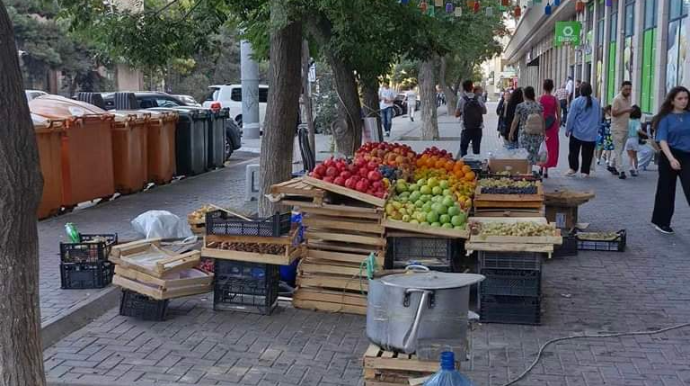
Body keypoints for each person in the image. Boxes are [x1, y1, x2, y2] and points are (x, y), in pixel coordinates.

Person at [650, 86, 690, 234]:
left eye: (686, 98)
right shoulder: (665, 118)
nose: (684, 101)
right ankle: (661, 222)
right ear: (672, 100)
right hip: (669, 155)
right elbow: (662, 140)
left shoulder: (689, 115)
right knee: (666, 189)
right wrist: (671, 159)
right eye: (680, 98)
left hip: (687, 156)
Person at [565, 82, 602, 177]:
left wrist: (568, 129)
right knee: (588, 154)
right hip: (591, 134)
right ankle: (585, 172)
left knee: (573, 152)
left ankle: (573, 169)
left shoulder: (576, 102)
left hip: (577, 132)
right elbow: (599, 117)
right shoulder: (596, 102)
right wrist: (597, 129)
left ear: (580, 90)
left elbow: (571, 118)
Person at [509, 86, 544, 167]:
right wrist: (543, 133)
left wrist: (511, 133)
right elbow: (542, 120)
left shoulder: (520, 106)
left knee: (524, 154)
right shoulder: (539, 106)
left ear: (524, 95)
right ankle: (529, 172)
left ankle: (526, 175)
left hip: (524, 134)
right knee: (532, 155)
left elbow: (515, 121)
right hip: (536, 134)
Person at [455, 80, 487, 157]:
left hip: (466, 128)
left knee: (464, 149)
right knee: (476, 150)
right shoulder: (478, 98)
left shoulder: (462, 99)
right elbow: (485, 111)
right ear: (472, 87)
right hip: (478, 127)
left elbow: (456, 114)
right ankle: (476, 166)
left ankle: (463, 166)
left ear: (463, 88)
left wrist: (462, 112)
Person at [609, 81, 634, 179]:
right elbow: (614, 113)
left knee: (619, 150)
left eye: (629, 89)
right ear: (621, 88)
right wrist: (627, 110)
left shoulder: (627, 99)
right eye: (626, 89)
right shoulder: (617, 99)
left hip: (625, 128)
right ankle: (621, 170)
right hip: (617, 128)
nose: (628, 91)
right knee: (619, 150)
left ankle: (611, 165)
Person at [539, 79, 561, 178]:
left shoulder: (539, 99)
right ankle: (546, 170)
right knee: (550, 148)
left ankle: (540, 166)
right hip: (552, 126)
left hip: (541, 126)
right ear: (552, 88)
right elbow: (559, 115)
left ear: (544, 87)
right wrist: (558, 126)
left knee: (541, 146)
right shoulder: (555, 99)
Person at [624, 105, 644, 176]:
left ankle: (630, 167)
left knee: (630, 155)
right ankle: (636, 169)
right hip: (634, 139)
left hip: (627, 140)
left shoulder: (627, 120)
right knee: (634, 155)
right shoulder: (637, 121)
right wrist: (646, 134)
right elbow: (638, 129)